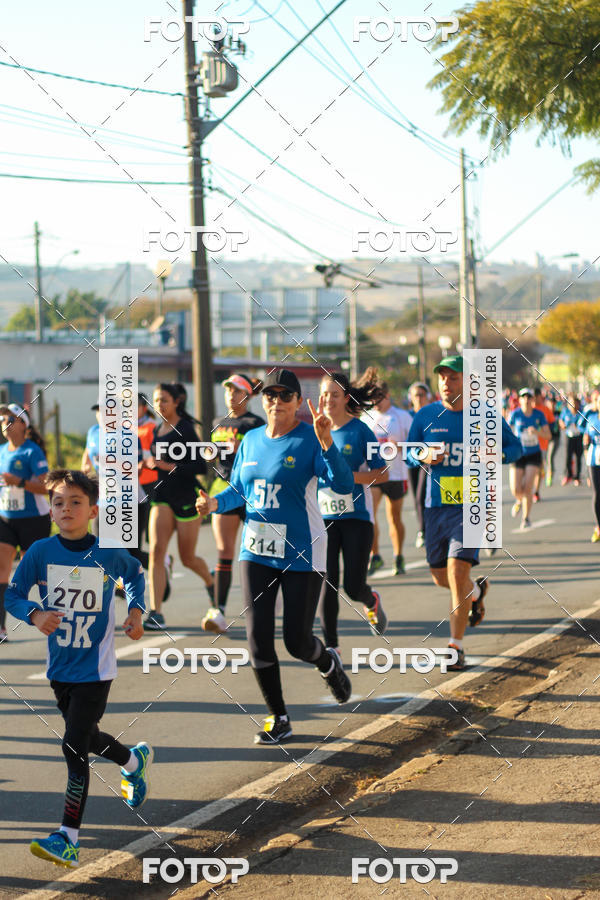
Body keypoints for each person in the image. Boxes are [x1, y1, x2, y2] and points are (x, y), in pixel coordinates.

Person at [195, 368, 354, 745]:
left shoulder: (311, 439)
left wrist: (328, 442)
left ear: (299, 402)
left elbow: (344, 485)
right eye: (270, 395)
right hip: (257, 550)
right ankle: (278, 716)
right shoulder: (250, 440)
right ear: (261, 400)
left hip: (303, 552)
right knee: (257, 638)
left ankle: (326, 661)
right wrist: (215, 502)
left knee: (296, 642)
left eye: (286, 396)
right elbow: (240, 490)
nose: (277, 402)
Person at [4, 469, 149, 869]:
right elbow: (13, 593)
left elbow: (135, 574)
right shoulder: (39, 552)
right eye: (58, 502)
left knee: (72, 743)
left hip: (96, 669)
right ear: (50, 511)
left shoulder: (105, 551)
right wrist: (34, 614)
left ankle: (68, 837)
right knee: (85, 736)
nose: (66, 508)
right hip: (60, 668)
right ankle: (133, 762)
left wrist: (136, 612)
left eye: (75, 502)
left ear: (93, 510)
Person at [407, 356, 522, 670]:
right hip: (435, 508)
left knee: (457, 573)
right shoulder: (426, 415)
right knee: (440, 577)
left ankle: (455, 647)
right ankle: (475, 591)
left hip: (472, 505)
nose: (446, 383)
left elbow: (517, 448)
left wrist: (497, 452)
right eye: (442, 377)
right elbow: (407, 453)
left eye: (453, 377)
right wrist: (423, 454)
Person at [317, 371, 389, 655]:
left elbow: (382, 473)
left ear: (346, 398)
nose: (328, 400)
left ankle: (370, 600)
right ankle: (332, 647)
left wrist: (350, 478)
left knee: (352, 585)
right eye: (324, 395)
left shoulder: (359, 431)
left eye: (334, 395)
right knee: (327, 583)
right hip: (323, 518)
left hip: (357, 518)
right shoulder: (313, 430)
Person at [143, 383, 214, 630]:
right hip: (162, 496)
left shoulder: (185, 429)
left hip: (186, 498)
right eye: (156, 400)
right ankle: (156, 612)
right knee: (156, 552)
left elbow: (201, 468)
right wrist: (148, 465)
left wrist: (168, 466)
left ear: (176, 402)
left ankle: (211, 581)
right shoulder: (154, 430)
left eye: (164, 400)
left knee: (187, 558)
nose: (159, 405)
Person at [201, 373, 265, 634]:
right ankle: (219, 611)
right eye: (228, 390)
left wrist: (242, 448)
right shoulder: (218, 422)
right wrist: (210, 451)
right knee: (224, 551)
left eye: (237, 390)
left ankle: (265, 604)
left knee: (259, 551)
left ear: (247, 395)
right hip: (224, 489)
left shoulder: (256, 423)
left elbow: (262, 455)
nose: (231, 395)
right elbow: (209, 454)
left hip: (251, 491)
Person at [0, 403, 51, 643]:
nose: (4, 424)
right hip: (6, 519)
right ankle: (0, 627)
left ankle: (58, 613)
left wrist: (19, 482)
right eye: (2, 420)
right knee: (2, 570)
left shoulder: (33, 452)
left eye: (10, 419)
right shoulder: (1, 451)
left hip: (34, 521)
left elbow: (47, 488)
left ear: (23, 424)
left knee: (39, 574)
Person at [360, 374, 413, 575]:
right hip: (374, 474)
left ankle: (398, 556)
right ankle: (375, 556)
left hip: (396, 475)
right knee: (370, 516)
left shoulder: (401, 416)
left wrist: (399, 446)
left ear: (388, 395)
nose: (375, 402)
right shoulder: (366, 418)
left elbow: (415, 442)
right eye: (372, 398)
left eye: (379, 397)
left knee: (394, 517)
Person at [507, 389, 551, 530]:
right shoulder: (515, 414)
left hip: (533, 453)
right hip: (518, 453)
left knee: (528, 487)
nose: (526, 399)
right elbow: (506, 432)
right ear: (519, 400)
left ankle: (526, 518)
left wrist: (537, 431)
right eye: (523, 397)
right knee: (515, 488)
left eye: (529, 397)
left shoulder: (539, 415)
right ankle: (519, 500)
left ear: (532, 399)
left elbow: (548, 435)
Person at [407, 381, 432, 548]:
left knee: (421, 495)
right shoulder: (406, 416)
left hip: (428, 460)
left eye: (422, 395)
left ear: (428, 397)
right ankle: (423, 528)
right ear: (411, 398)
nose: (419, 398)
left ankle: (424, 530)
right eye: (416, 395)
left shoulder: (432, 414)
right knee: (416, 497)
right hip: (411, 459)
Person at [583, 391, 600, 542]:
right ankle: (598, 527)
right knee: (596, 495)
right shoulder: (591, 418)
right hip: (593, 461)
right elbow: (585, 440)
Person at [559, 393, 585, 485]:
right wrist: (563, 425)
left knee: (578, 457)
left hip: (578, 437)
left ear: (578, 403)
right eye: (571, 403)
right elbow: (560, 420)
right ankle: (568, 475)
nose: (573, 405)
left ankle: (577, 477)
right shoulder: (565, 411)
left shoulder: (581, 412)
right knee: (568, 457)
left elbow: (585, 424)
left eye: (575, 403)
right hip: (569, 437)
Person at [533, 387, 553, 502]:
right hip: (528, 446)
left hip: (542, 445)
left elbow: (551, 423)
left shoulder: (545, 409)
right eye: (534, 397)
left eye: (538, 397)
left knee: (538, 469)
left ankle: (536, 491)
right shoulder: (529, 409)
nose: (536, 399)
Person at [545, 394, 561, 486]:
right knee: (545, 458)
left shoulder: (558, 413)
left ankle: (550, 475)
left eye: (553, 403)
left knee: (550, 457)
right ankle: (546, 471)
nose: (552, 404)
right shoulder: (544, 413)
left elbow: (562, 422)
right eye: (550, 402)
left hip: (555, 438)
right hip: (545, 438)